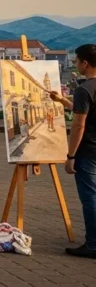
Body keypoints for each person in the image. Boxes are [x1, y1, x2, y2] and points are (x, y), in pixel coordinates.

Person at [51, 44, 96, 258]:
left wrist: (70, 156)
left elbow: (79, 124)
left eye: (77, 60)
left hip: (88, 151)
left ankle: (93, 244)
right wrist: (62, 101)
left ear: (85, 63)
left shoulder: (84, 89)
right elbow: (82, 109)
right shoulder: (84, 91)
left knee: (90, 198)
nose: (75, 64)